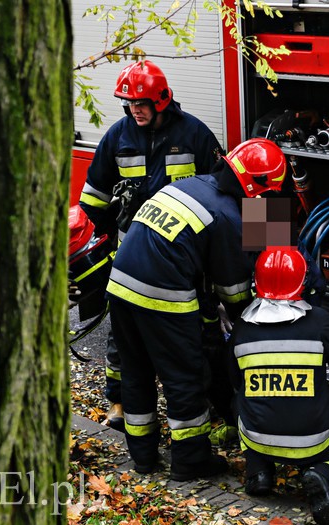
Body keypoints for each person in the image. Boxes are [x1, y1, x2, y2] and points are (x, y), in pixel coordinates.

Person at [106, 138, 288, 480]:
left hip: (120, 284)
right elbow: (233, 290)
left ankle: (143, 457)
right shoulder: (232, 217)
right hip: (162, 296)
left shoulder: (193, 185)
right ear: (257, 186)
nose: (267, 203)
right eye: (268, 194)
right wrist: (255, 329)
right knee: (184, 377)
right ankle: (190, 462)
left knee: (135, 371)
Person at [78, 60, 223, 429]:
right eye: (128, 103)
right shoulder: (118, 136)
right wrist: (88, 249)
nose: (133, 109)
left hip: (185, 261)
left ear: (161, 99)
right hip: (132, 257)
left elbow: (227, 193)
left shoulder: (195, 135)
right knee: (123, 337)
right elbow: (93, 199)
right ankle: (119, 404)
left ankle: (208, 400)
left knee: (197, 331)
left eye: (140, 102)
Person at [228, 248, 329, 525]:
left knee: (240, 402)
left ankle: (259, 470)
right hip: (311, 441)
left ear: (257, 281)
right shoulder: (320, 322)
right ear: (303, 282)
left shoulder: (242, 328)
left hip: (257, 436)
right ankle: (322, 473)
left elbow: (235, 382)